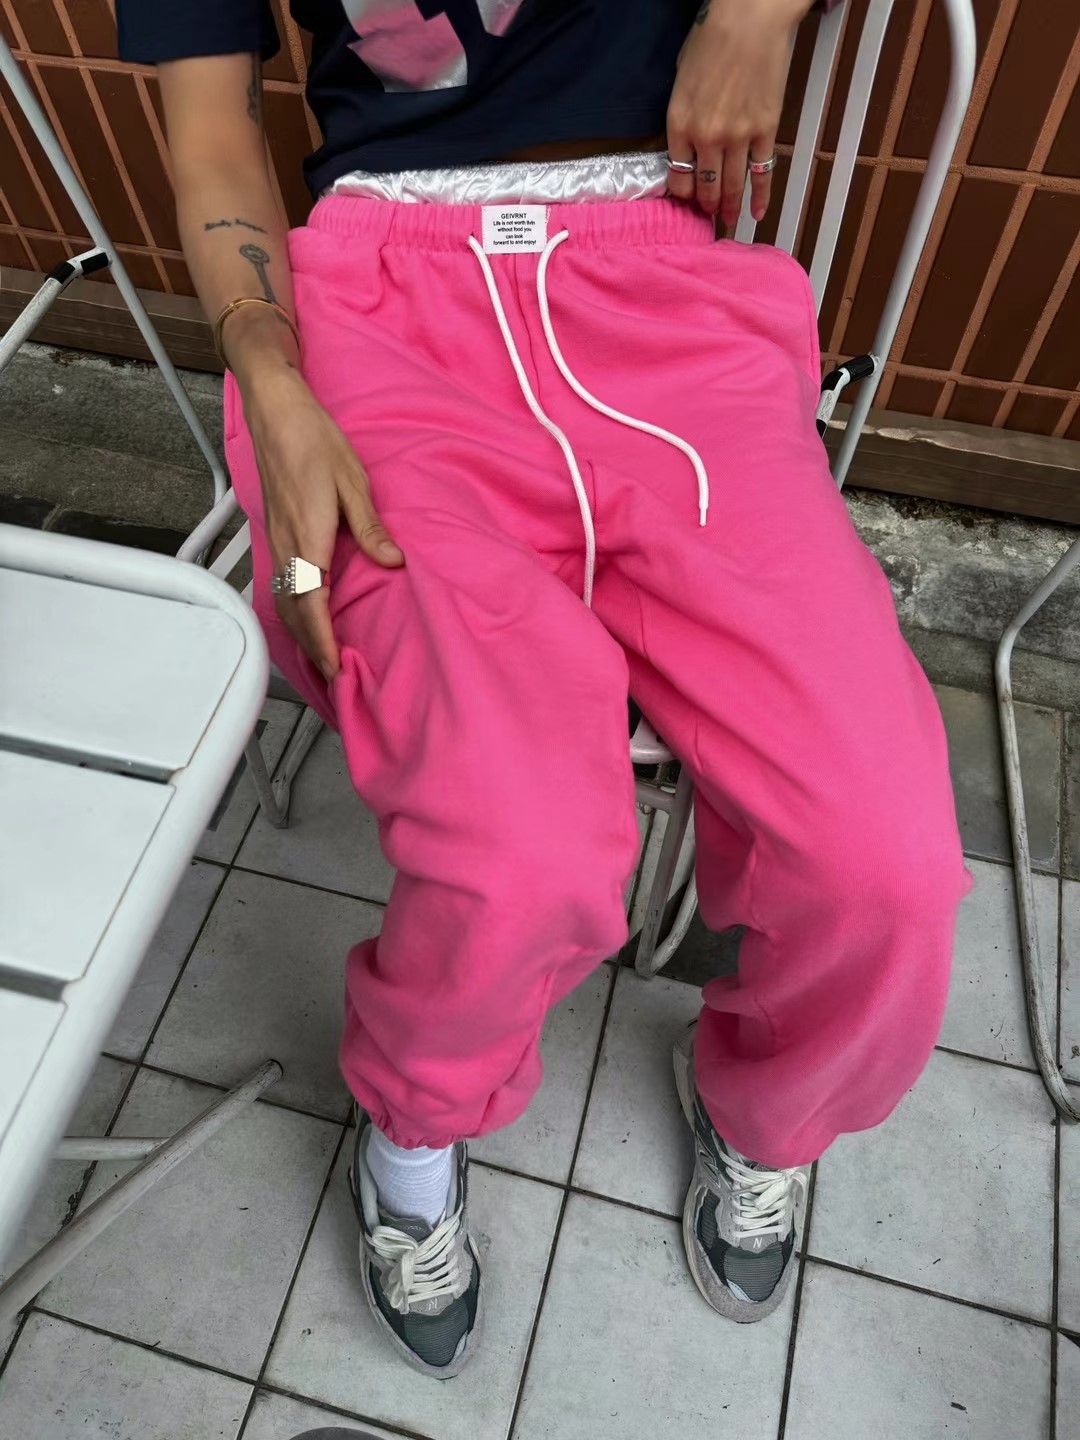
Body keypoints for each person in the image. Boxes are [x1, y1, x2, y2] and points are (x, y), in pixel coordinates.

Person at [117, 0, 969, 1380]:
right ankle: (414, 1125)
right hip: (383, 315)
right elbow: (210, 132)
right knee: (515, 850)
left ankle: (769, 1114)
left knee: (890, 856)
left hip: (667, 293)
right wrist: (271, 379)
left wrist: (760, 10)